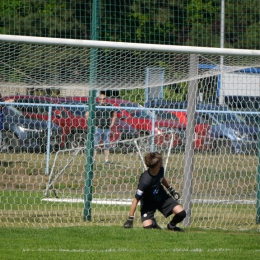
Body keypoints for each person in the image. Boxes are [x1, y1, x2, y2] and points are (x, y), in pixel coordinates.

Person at [124, 152, 186, 231]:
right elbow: (136, 200)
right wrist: (130, 219)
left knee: (181, 213)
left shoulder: (161, 170)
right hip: (148, 203)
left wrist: (171, 190)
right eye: (161, 160)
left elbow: (161, 178)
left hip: (162, 197)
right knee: (148, 227)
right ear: (158, 164)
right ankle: (153, 223)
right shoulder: (145, 181)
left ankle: (171, 226)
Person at [85, 94, 117, 163]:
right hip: (98, 128)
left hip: (106, 128)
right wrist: (92, 124)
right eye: (100, 99)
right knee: (95, 144)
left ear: (106, 99)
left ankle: (106, 160)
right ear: (98, 99)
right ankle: (93, 159)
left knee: (107, 144)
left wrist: (112, 124)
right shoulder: (95, 106)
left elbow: (114, 115)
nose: (102, 100)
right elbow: (87, 115)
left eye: (104, 99)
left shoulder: (109, 106)